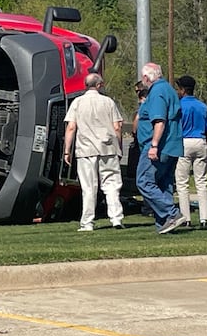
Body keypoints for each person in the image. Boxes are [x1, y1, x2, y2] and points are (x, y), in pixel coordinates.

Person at [63, 73, 125, 231]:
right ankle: (116, 218)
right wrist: (119, 146)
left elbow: (71, 127)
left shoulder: (78, 102)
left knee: (89, 187)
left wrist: (66, 151)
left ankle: (87, 222)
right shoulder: (108, 102)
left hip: (86, 149)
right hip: (108, 147)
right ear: (99, 85)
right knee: (112, 184)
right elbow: (117, 126)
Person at [135, 62, 186, 234]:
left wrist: (154, 145)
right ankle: (165, 223)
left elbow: (159, 120)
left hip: (159, 146)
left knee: (144, 181)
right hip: (173, 145)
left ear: (146, 77)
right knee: (163, 184)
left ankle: (172, 213)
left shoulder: (156, 92)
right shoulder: (169, 89)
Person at [174, 75, 207, 229]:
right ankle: (204, 218)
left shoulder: (179, 106)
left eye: (179, 88)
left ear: (183, 90)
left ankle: (186, 218)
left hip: (184, 142)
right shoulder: (202, 106)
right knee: (201, 182)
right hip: (201, 141)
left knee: (182, 183)